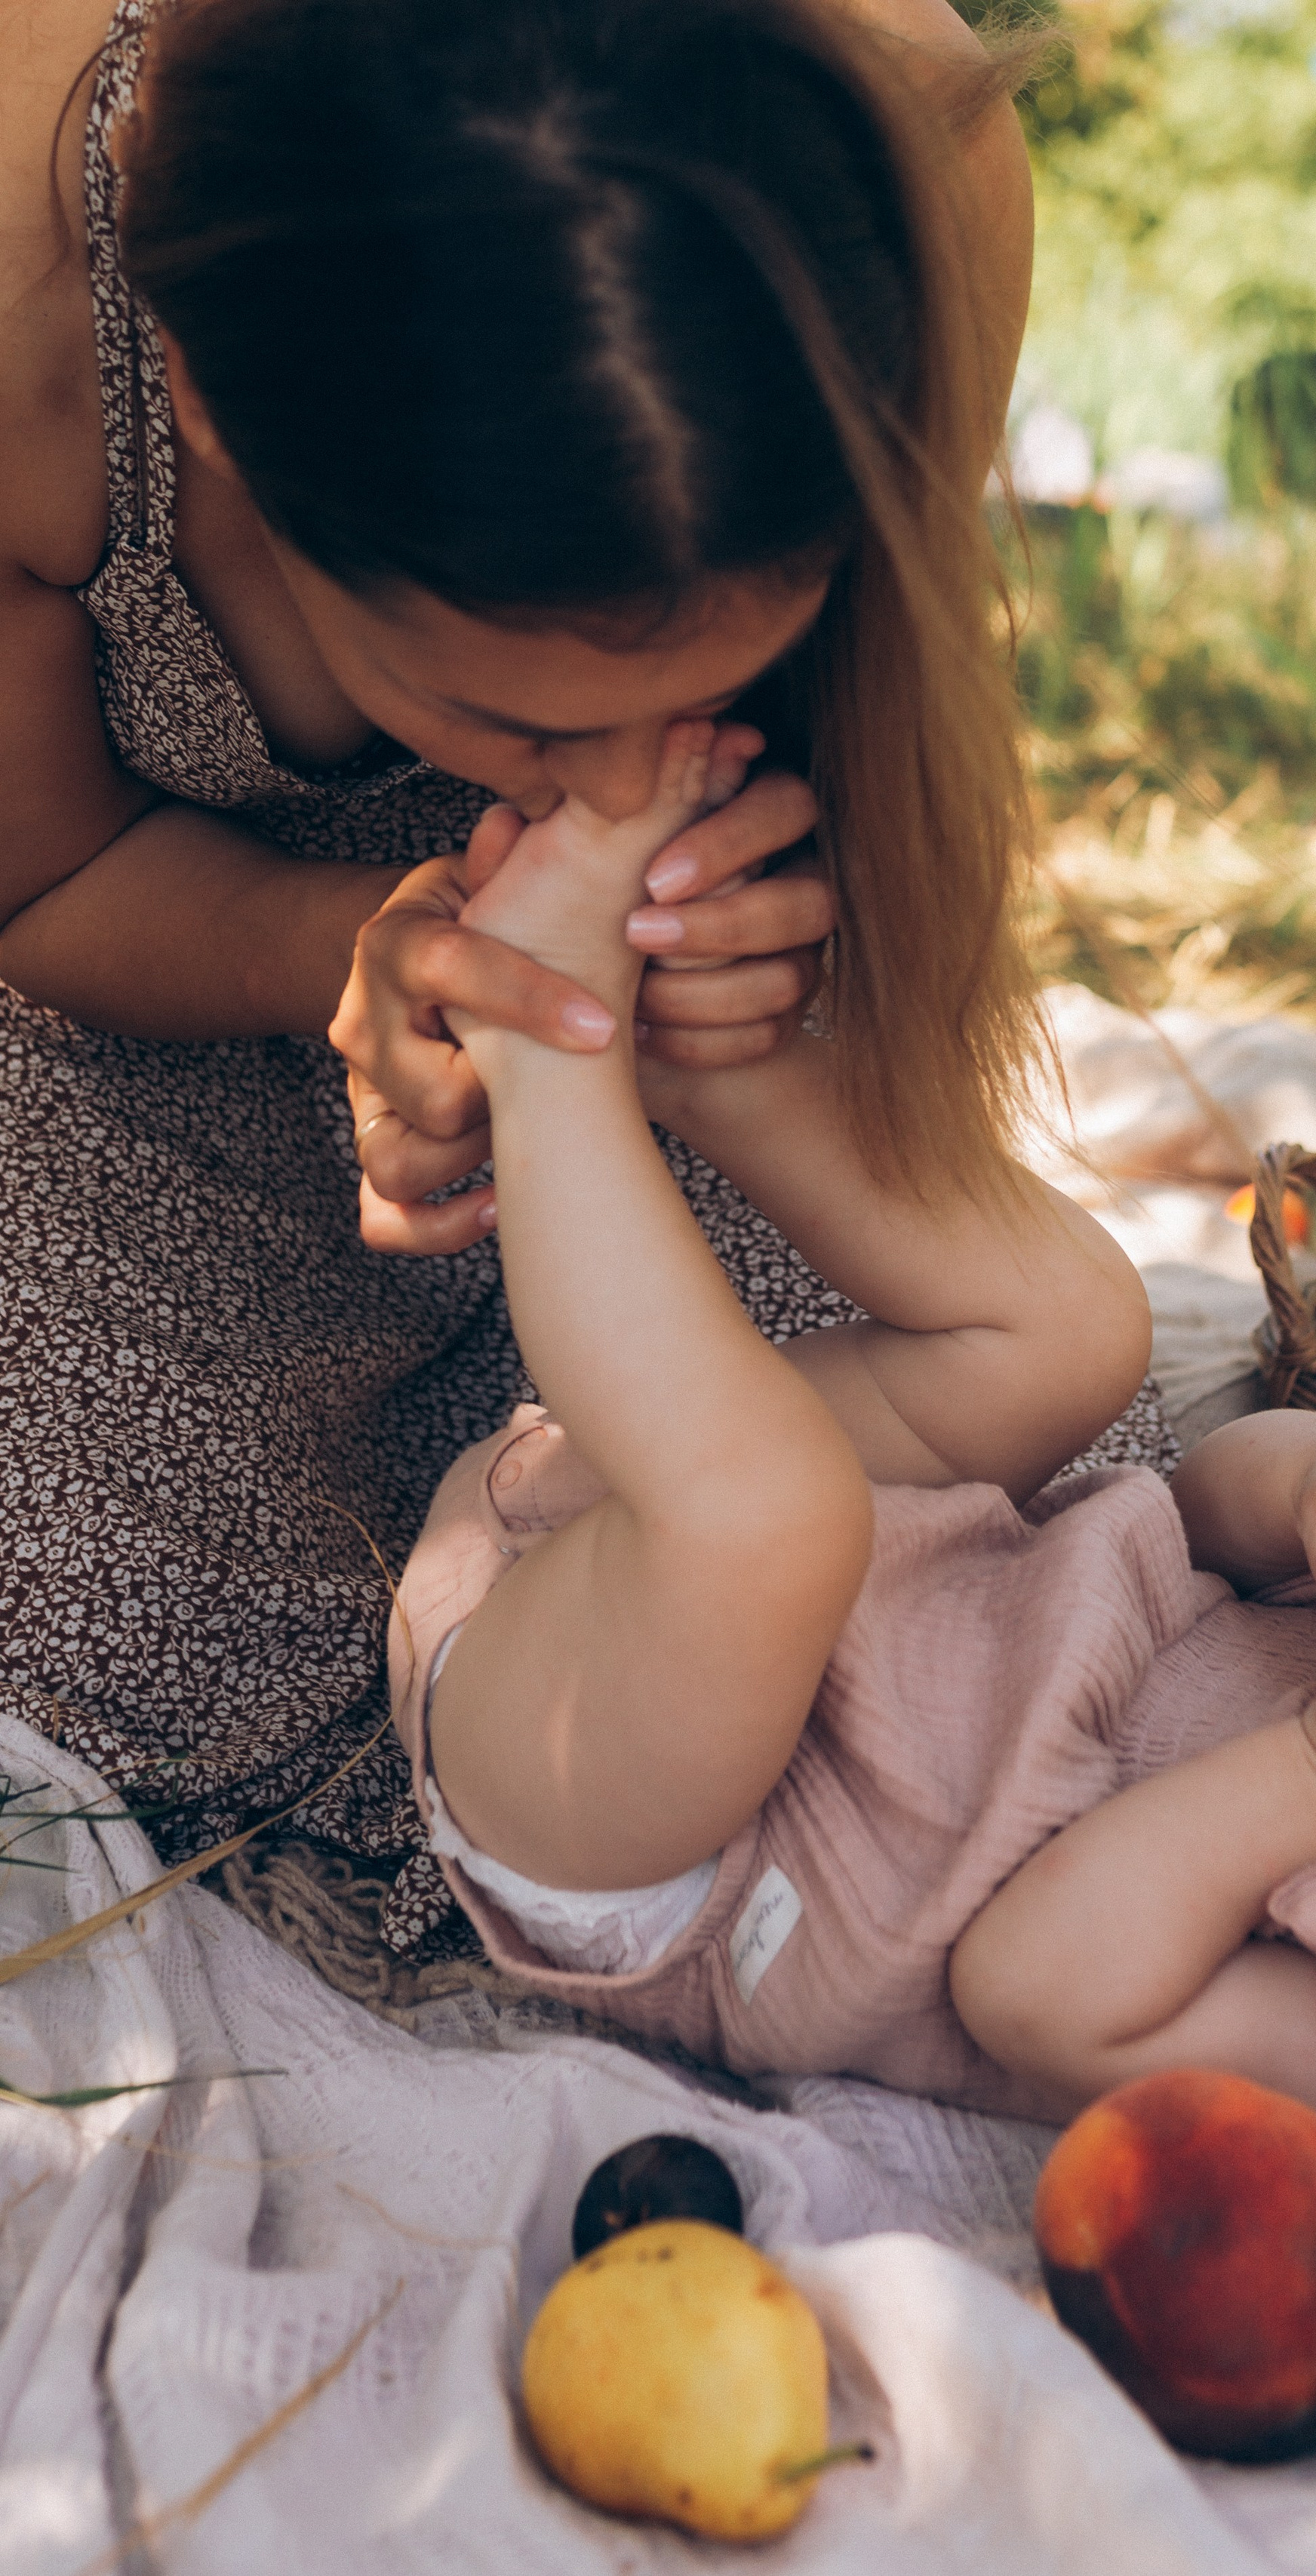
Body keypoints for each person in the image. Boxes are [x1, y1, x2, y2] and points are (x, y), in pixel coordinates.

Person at [392, 727, 1316, 2244]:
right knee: (1080, 1328)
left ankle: (547, 1046)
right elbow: (1188, 1509)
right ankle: (686, 1047)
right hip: (784, 1574)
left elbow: (1035, 1983)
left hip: (638, 1807)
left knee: (769, 1516)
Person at [0, 0, 1164, 1948]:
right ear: (194, 389)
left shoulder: (907, 156)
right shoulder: (24, 281)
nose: (624, 778)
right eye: (502, 712)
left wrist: (749, 949)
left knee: (951, 1578)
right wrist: (352, 954)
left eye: (698, 690)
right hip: (136, 980)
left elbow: (877, 747)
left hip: (700, 1036)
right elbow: (45, 877)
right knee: (123, 1644)